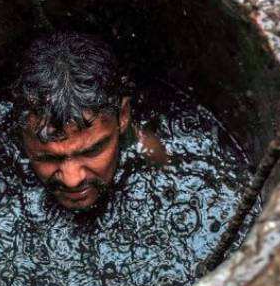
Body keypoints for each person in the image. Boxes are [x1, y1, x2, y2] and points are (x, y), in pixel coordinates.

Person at [14, 31, 168, 211]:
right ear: (20, 135)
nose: (72, 180)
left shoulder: (149, 150)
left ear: (123, 116)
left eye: (92, 151)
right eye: (48, 157)